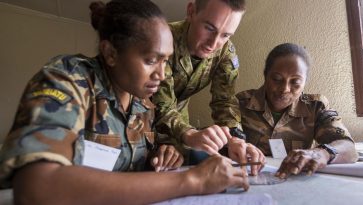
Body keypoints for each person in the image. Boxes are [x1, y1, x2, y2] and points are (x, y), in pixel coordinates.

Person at [0, 1, 250, 204]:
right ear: (110, 53)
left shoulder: (143, 104)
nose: (162, 75)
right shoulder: (69, 78)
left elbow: (134, 162)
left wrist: (163, 152)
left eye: (166, 61)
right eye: (152, 60)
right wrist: (192, 181)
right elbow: (35, 189)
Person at [152, 0, 264, 174]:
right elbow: (160, 102)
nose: (214, 43)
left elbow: (224, 101)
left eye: (226, 35)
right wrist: (189, 134)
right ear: (191, 11)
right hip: (141, 123)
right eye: (210, 28)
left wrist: (236, 138)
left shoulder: (225, 52)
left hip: (179, 131)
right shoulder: (162, 39)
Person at [236, 43, 358, 179]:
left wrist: (321, 153)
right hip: (252, 179)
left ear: (305, 82)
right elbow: (222, 144)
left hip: (295, 178)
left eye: (295, 82)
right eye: (276, 79)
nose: (285, 89)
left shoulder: (316, 107)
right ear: (265, 76)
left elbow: (348, 148)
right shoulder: (240, 104)